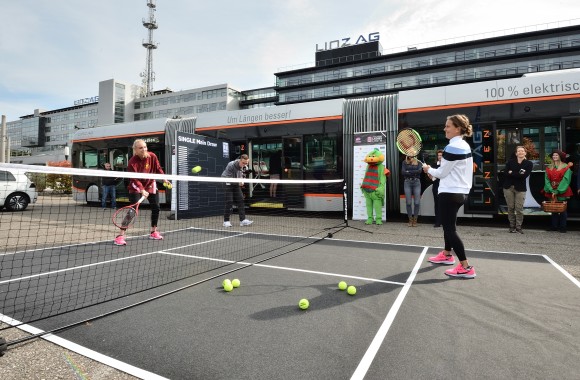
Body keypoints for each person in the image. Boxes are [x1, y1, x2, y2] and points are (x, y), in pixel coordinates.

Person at [423, 114, 475, 278]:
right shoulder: (463, 145)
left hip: (450, 192)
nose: (444, 129)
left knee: (450, 229)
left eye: (448, 126)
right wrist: (434, 172)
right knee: (448, 225)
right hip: (459, 192)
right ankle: (446, 254)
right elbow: (449, 172)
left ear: (458, 128)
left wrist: (428, 170)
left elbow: (441, 172)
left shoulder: (452, 147)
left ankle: (466, 267)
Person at [114, 139, 170, 246]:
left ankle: (153, 231)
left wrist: (164, 178)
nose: (144, 149)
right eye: (141, 148)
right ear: (135, 150)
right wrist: (142, 190)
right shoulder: (132, 162)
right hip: (136, 186)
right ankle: (120, 236)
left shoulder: (152, 156)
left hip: (150, 183)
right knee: (132, 211)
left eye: (145, 147)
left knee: (156, 207)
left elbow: (158, 168)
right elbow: (134, 179)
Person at [502, 146, 533, 233]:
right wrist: (517, 173)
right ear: (516, 153)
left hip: (520, 189)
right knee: (510, 207)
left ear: (525, 153)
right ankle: (512, 226)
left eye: (522, 151)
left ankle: (518, 227)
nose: (520, 152)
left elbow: (524, 176)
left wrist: (512, 172)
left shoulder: (528, 163)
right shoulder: (510, 162)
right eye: (518, 151)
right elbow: (505, 173)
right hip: (508, 188)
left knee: (519, 208)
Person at [542, 150, 572, 233]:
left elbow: (566, 180)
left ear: (560, 157)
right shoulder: (549, 167)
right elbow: (547, 179)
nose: (554, 156)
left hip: (562, 190)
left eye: (556, 155)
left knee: (563, 209)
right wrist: (551, 190)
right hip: (551, 190)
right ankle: (554, 226)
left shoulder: (566, 167)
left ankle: (563, 227)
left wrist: (558, 191)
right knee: (553, 209)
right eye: (553, 155)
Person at [222, 154, 253, 227]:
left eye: (246, 163)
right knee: (229, 201)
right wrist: (240, 181)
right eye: (243, 163)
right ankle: (226, 221)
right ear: (240, 160)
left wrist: (242, 181)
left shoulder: (245, 167)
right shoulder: (231, 165)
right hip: (227, 182)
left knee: (241, 199)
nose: (244, 164)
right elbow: (230, 178)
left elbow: (242, 179)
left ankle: (242, 220)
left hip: (235, 183)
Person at [402, 150, 422, 227]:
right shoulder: (404, 162)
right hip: (407, 182)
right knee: (408, 202)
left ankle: (415, 220)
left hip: (417, 182)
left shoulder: (419, 162)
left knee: (417, 202)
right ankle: (410, 220)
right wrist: (414, 171)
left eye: (412, 153)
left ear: (414, 154)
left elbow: (419, 171)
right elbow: (403, 172)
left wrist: (408, 171)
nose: (410, 155)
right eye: (409, 153)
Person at [428, 150, 443, 227]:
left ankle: (444, 221)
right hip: (436, 186)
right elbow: (431, 177)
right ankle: (438, 221)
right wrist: (431, 176)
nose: (440, 157)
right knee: (437, 204)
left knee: (444, 204)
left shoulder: (446, 165)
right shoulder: (434, 165)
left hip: (444, 187)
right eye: (439, 155)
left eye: (441, 155)